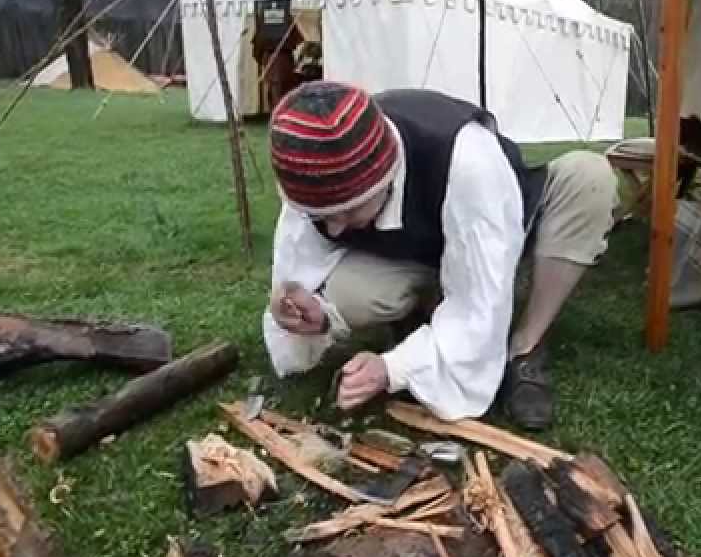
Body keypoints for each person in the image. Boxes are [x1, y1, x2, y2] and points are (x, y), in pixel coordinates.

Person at [262, 81, 618, 430]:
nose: (336, 230)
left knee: (590, 178)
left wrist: (394, 368)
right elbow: (298, 266)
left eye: (349, 212)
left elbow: (481, 305)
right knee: (346, 297)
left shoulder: (468, 159)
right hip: (420, 253)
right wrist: (308, 312)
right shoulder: (316, 156)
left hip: (505, 222)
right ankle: (424, 316)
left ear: (386, 178)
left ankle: (526, 346)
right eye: (322, 217)